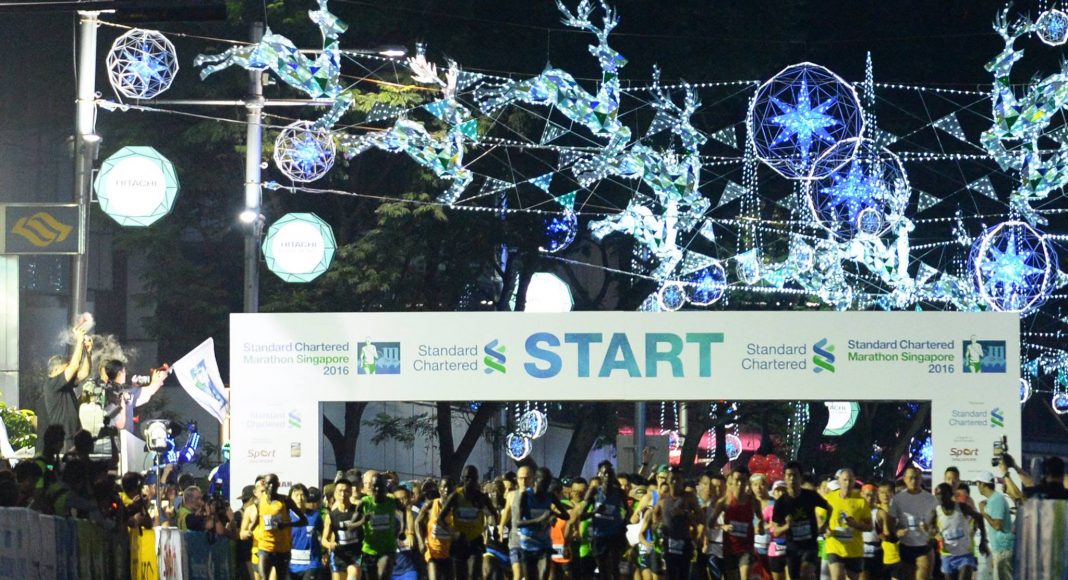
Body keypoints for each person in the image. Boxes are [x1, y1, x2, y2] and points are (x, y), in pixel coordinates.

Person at [771, 461, 831, 580]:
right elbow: (776, 531)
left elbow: (829, 507)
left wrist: (826, 523)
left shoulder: (810, 495)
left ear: (800, 477)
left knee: (805, 573)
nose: (792, 478)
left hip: (810, 545)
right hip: (792, 547)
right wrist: (786, 526)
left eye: (795, 475)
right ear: (784, 478)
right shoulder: (781, 502)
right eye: (789, 475)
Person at [242, 473, 307, 580]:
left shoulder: (285, 500)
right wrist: (250, 529)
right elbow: (258, 517)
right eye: (269, 484)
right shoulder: (259, 501)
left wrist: (286, 524)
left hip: (282, 548)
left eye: (274, 484)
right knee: (263, 578)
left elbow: (303, 521)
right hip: (265, 547)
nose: (271, 487)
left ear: (278, 485)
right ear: (265, 485)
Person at [38, 325, 92, 452]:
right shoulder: (51, 384)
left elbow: (84, 373)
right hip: (63, 441)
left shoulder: (65, 384)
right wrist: (79, 340)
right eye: (65, 369)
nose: (69, 372)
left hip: (74, 437)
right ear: (56, 369)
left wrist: (87, 352)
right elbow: (74, 366)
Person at [709, 468, 763, 580]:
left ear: (747, 482)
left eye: (743, 480)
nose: (740, 484)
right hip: (730, 549)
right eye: (737, 480)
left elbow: (761, 518)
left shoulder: (753, 501)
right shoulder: (724, 501)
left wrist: (760, 525)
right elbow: (710, 523)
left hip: (746, 548)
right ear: (732, 481)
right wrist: (722, 526)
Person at [517, 466, 570, 580]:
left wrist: (552, 514)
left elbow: (566, 516)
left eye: (548, 482)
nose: (546, 485)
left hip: (544, 543)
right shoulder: (526, 496)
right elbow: (518, 522)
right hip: (528, 543)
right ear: (535, 480)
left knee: (544, 572)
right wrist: (539, 519)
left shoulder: (550, 496)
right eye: (544, 482)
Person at [439, 465, 492, 579]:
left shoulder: (481, 497)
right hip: (459, 541)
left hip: (475, 540)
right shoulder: (455, 496)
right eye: (467, 478)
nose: (470, 481)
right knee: (460, 576)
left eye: (473, 478)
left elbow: (494, 514)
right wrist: (453, 533)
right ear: (462, 479)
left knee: (473, 574)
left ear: (477, 479)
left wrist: (485, 511)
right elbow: (440, 519)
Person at [650, 466, 701, 580]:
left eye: (678, 479)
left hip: (684, 541)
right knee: (670, 574)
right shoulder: (663, 498)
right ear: (667, 481)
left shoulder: (689, 497)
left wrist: (685, 513)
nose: (675, 482)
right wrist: (656, 525)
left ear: (682, 481)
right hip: (668, 542)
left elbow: (700, 517)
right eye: (672, 479)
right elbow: (655, 513)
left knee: (683, 574)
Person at [580, 460, 628, 579]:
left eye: (610, 474)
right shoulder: (594, 491)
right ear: (600, 475)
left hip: (615, 535)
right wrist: (595, 512)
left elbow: (628, 510)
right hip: (599, 536)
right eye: (604, 473)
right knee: (603, 569)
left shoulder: (619, 492)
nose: (607, 476)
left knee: (615, 567)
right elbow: (581, 515)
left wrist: (623, 525)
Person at [822, 469, 872, 580]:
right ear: (839, 481)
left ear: (854, 482)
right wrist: (825, 528)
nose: (847, 483)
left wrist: (856, 525)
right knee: (837, 577)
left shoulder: (861, 501)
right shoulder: (829, 498)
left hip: (854, 550)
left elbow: (869, 526)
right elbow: (819, 517)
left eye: (850, 480)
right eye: (844, 480)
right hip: (834, 546)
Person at [891, 466, 939, 580]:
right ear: (905, 479)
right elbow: (891, 522)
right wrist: (897, 532)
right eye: (911, 478)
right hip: (906, 546)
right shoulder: (898, 499)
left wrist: (931, 530)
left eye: (917, 478)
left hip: (924, 546)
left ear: (921, 479)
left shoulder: (931, 499)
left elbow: (937, 521)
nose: (914, 481)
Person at [932, 483, 988, 580]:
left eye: (942, 494)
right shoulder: (937, 511)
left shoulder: (961, 507)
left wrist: (983, 540)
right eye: (937, 495)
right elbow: (930, 527)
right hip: (947, 555)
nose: (939, 497)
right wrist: (935, 534)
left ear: (950, 495)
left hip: (965, 554)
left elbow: (979, 517)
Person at [100, 359, 168, 434]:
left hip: (125, 437)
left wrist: (157, 381)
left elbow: (148, 391)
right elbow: (120, 424)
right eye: (124, 371)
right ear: (120, 373)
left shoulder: (123, 390)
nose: (125, 374)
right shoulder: (113, 394)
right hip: (117, 438)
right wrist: (123, 401)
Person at [362, 471, 403, 580]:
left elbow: (405, 511)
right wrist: (360, 521)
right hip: (369, 549)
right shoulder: (364, 502)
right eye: (374, 486)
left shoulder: (392, 501)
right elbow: (353, 522)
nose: (377, 489)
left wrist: (403, 529)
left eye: (381, 486)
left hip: (387, 549)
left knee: (383, 574)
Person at [324, 478, 366, 580]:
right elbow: (324, 539)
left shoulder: (358, 511)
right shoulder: (331, 516)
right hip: (339, 556)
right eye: (340, 491)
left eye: (346, 491)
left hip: (356, 554)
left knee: (354, 571)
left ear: (351, 492)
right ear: (335, 493)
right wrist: (330, 545)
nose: (343, 494)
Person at [499, 461, 535, 580]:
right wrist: (501, 527)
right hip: (515, 540)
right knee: (518, 574)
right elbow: (507, 512)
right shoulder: (512, 495)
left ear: (532, 479)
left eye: (526, 478)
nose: (523, 481)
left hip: (533, 541)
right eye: (521, 478)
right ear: (517, 480)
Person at [974, 472, 1013, 580]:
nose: (977, 486)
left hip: (1003, 549)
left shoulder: (996, 499)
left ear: (983, 484)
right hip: (1000, 549)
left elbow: (997, 525)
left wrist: (983, 512)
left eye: (978, 483)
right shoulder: (993, 499)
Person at [417, 477, 453, 580]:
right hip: (432, 552)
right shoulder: (431, 505)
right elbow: (417, 522)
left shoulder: (456, 508)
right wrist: (420, 541)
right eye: (444, 487)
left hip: (449, 554)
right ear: (439, 489)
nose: (447, 489)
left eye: (449, 487)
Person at [288, 484, 325, 580]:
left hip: (312, 564)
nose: (299, 498)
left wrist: (325, 552)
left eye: (302, 495)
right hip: (291, 565)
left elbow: (325, 534)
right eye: (296, 495)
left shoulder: (315, 515)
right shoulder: (286, 516)